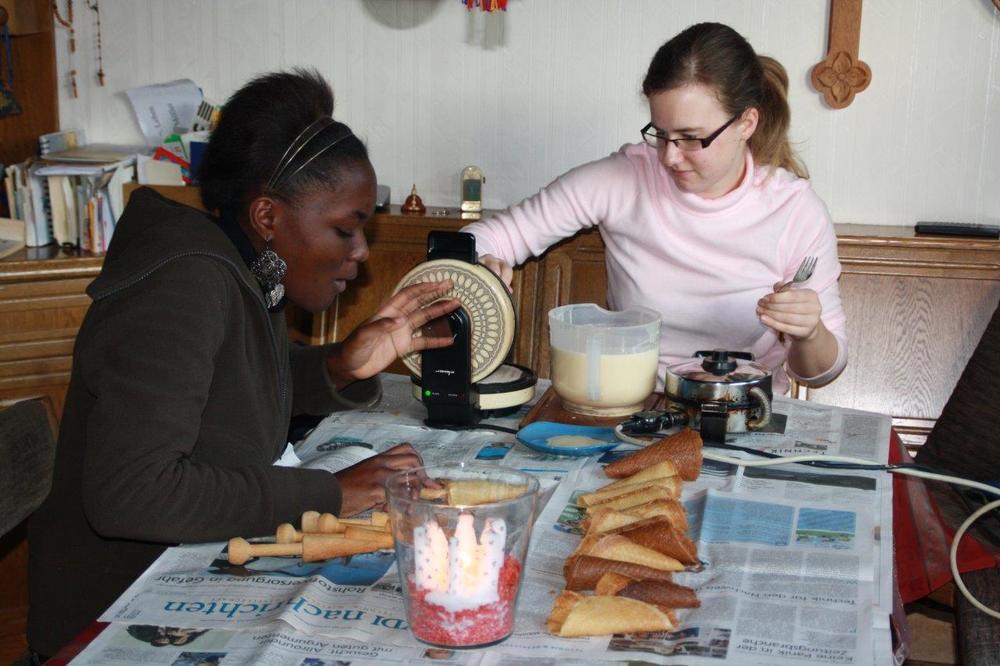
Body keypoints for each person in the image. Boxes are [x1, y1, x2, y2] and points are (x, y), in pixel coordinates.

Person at [27, 68, 458, 658]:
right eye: (344, 229)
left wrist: (339, 366)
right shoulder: (183, 285)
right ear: (267, 217)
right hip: (114, 611)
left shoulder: (244, 266)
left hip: (189, 564)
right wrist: (332, 492)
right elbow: (133, 494)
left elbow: (231, 395)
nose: (360, 252)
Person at [463, 22, 846, 394]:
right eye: (661, 134)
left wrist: (809, 333)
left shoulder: (795, 210)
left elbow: (821, 373)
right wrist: (479, 264)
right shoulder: (623, 179)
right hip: (634, 404)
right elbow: (492, 237)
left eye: (691, 138)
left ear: (746, 123)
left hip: (746, 411)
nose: (670, 157)